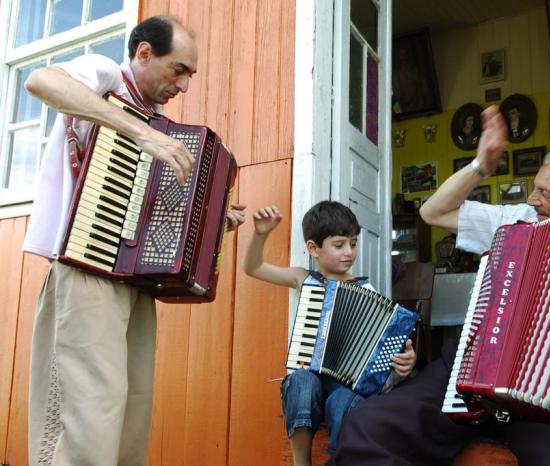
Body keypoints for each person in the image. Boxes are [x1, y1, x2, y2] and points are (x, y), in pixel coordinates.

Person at [329, 106, 550, 466]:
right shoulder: (518, 221)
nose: (532, 199)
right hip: (471, 368)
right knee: (370, 424)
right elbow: (432, 213)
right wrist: (481, 164)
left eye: (545, 192)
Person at [23, 16, 246, 465]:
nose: (183, 85)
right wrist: (140, 132)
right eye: (178, 69)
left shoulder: (160, 125)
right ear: (144, 52)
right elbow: (40, 80)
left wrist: (214, 221)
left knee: (131, 410)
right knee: (90, 412)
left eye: (190, 75)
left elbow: (148, 219)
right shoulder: (104, 75)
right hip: (86, 270)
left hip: (134, 283)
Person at [243, 201, 417, 466]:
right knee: (301, 379)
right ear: (314, 249)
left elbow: (385, 356)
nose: (349, 252)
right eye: (339, 245)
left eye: (353, 243)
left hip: (345, 385)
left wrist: (405, 364)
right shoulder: (304, 279)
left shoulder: (368, 292)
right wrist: (261, 234)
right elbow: (253, 268)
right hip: (310, 378)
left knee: (342, 400)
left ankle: (341, 460)